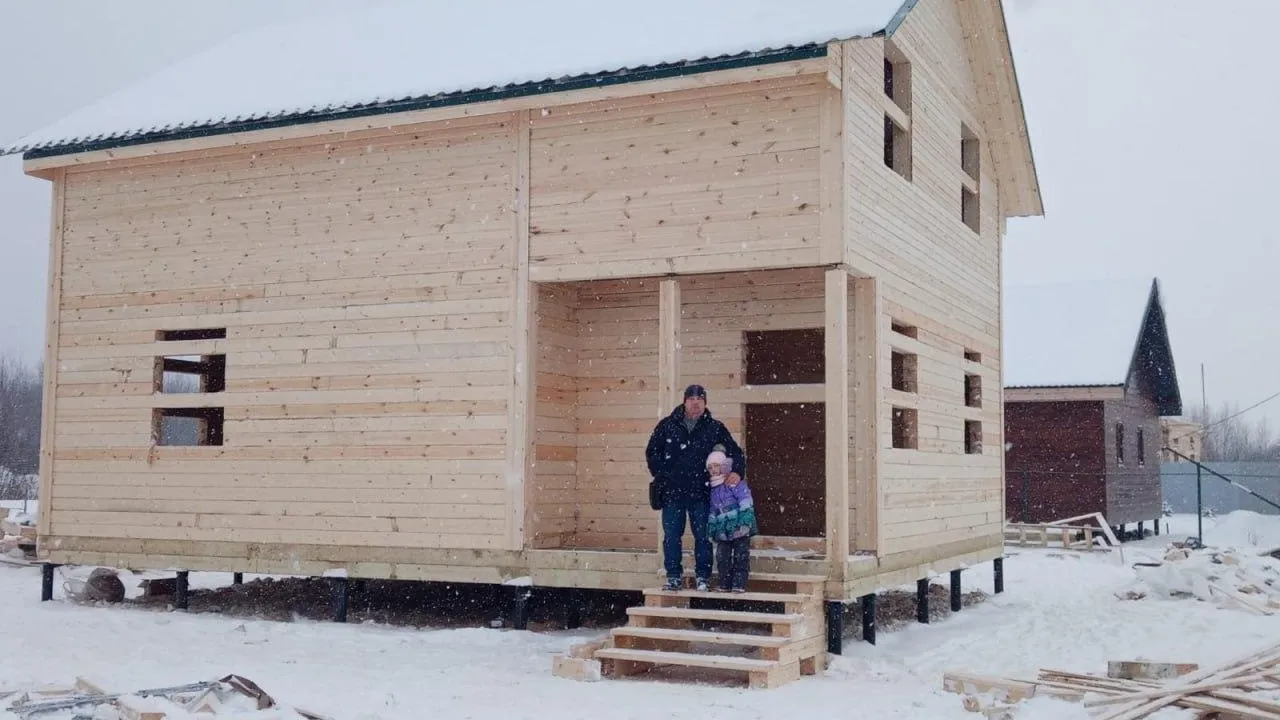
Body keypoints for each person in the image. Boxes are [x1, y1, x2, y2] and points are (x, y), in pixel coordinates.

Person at [645, 384, 746, 592]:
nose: (696, 403)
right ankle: (673, 576)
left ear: (705, 403)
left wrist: (737, 470)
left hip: (702, 493)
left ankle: (703, 577)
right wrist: (662, 475)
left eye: (700, 400)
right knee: (672, 536)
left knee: (703, 537)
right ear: (684, 402)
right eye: (692, 400)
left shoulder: (715, 428)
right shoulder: (667, 425)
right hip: (672, 494)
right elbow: (652, 452)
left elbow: (735, 452)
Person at [705, 450, 757, 592]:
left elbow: (745, 501)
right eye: (710, 467)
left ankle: (739, 584)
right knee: (722, 557)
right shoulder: (712, 489)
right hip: (723, 528)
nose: (713, 470)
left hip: (739, 525)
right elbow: (712, 511)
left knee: (741, 555)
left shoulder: (733, 482)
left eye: (716, 466)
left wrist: (746, 521)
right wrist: (712, 528)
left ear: (723, 466)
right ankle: (725, 584)